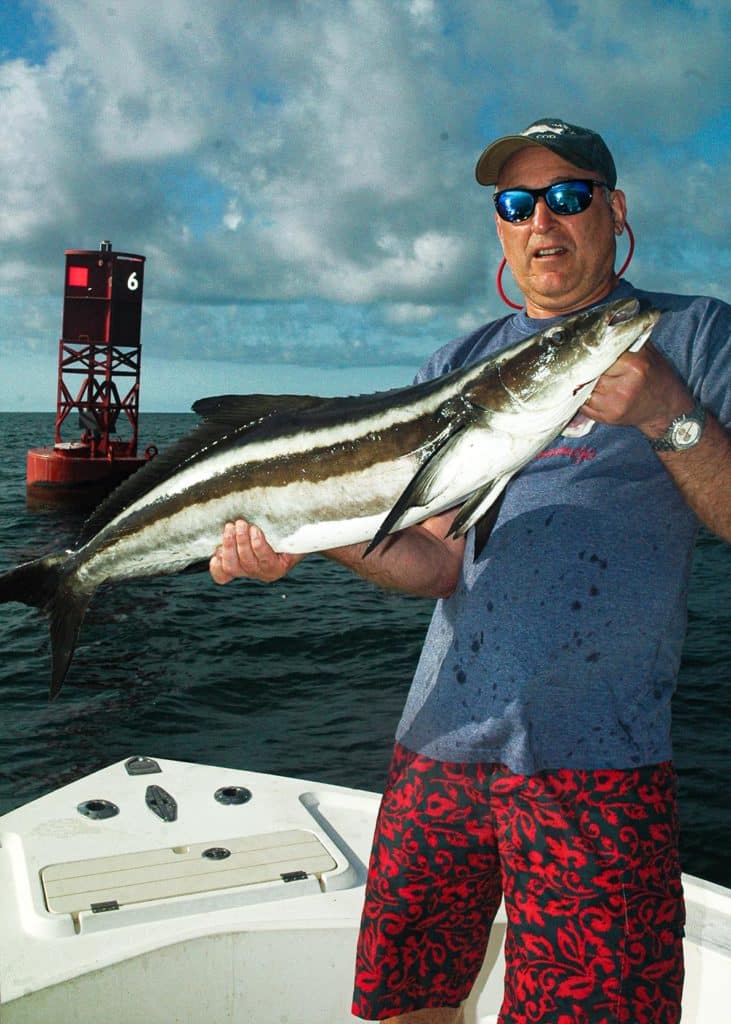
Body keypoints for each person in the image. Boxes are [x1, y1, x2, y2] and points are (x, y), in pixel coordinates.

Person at [209, 119, 731, 1023]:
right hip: (437, 747)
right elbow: (438, 563)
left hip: (595, 766)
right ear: (498, 225)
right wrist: (304, 531)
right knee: (407, 1002)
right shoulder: (456, 364)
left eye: (568, 196)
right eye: (516, 203)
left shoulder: (690, 337)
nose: (543, 221)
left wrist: (667, 414)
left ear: (613, 210)